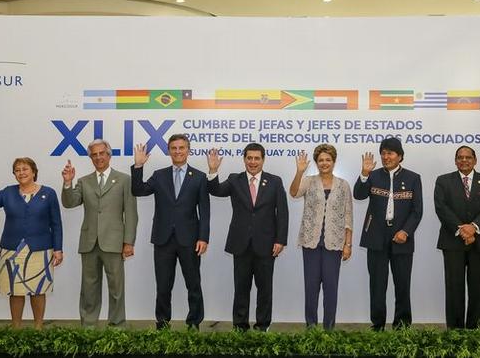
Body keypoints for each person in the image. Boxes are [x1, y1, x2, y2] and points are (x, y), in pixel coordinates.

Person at [131, 134, 210, 330]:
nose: (177, 151)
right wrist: (138, 167)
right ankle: (163, 323)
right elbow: (138, 190)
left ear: (188, 150)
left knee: (194, 285)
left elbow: (205, 211)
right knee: (163, 286)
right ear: (169, 151)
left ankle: (194, 323)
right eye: (174, 148)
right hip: (163, 239)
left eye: (181, 148)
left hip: (190, 240)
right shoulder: (159, 175)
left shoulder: (199, 177)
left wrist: (203, 237)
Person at [207, 143, 288, 331]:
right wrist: (212, 170)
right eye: (249, 158)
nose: (253, 162)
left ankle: (262, 326)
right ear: (244, 159)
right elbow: (216, 191)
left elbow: (282, 213)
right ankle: (240, 326)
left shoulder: (275, 181)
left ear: (263, 160)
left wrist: (280, 240)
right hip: (240, 244)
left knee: (265, 289)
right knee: (241, 288)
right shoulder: (235, 180)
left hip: (267, 245)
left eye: (256, 158)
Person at [0, 157, 63, 329]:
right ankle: (16, 329)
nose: (21, 173)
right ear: (14, 174)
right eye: (17, 170)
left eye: (25, 169)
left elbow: (56, 223)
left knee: (38, 290)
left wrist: (58, 249)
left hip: (40, 249)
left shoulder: (49, 193)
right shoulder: (8, 192)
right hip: (11, 249)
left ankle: (38, 328)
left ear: (34, 172)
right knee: (14, 291)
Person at [61, 139, 138, 327]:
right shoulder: (83, 181)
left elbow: (131, 213)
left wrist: (129, 242)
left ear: (109, 155)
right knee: (88, 288)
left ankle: (117, 326)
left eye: (101, 153)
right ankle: (88, 326)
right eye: (94, 155)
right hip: (89, 242)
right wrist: (67, 183)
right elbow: (69, 203)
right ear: (91, 158)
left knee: (116, 289)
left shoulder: (125, 179)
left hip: (114, 242)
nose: (98, 157)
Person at [353, 137, 422, 331]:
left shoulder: (413, 178)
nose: (386, 156)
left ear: (400, 156)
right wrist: (364, 175)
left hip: (402, 239)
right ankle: (378, 325)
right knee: (377, 285)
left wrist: (405, 232)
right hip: (376, 238)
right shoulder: (373, 175)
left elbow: (417, 211)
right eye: (383, 153)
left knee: (402, 285)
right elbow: (358, 195)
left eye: (390, 153)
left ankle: (402, 325)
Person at [289, 144, 353, 330]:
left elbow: (348, 215)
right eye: (321, 160)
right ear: (316, 162)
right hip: (311, 242)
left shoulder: (343, 185)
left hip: (334, 243)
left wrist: (347, 244)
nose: (324, 163)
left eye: (328, 160)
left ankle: (329, 328)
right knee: (311, 287)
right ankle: (310, 326)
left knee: (331, 288)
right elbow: (294, 192)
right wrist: (300, 172)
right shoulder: (309, 181)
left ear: (333, 161)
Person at [434, 146, 480, 329]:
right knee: (454, 289)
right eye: (460, 157)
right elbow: (441, 207)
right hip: (452, 241)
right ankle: (455, 331)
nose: (464, 160)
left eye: (468, 157)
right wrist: (462, 229)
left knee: (478, 289)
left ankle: (476, 331)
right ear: (455, 161)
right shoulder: (443, 181)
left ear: (475, 160)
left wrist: (474, 228)